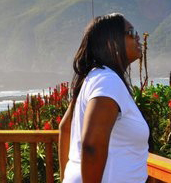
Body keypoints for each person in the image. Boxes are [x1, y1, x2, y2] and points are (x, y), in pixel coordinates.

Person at [58, 13, 148, 183]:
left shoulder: (94, 77)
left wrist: (66, 178)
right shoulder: (107, 81)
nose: (138, 36)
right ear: (111, 42)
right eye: (131, 31)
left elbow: (66, 127)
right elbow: (92, 146)